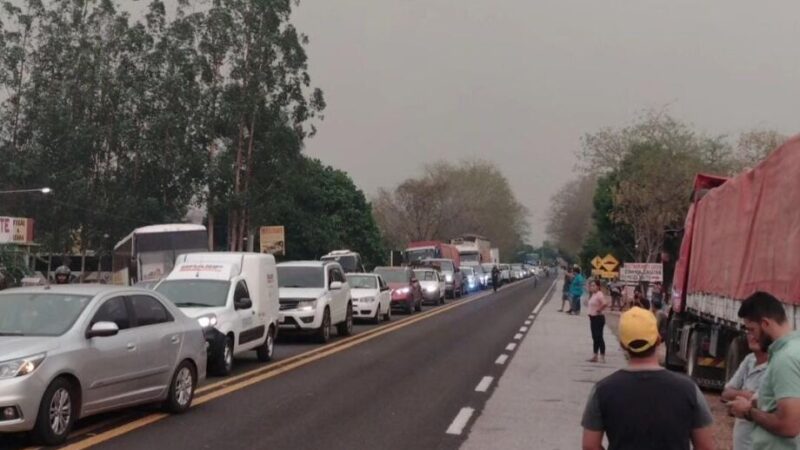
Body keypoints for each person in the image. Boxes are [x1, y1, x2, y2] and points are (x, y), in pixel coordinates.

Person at [582, 307, 715, 450]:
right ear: (658, 340)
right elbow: (705, 447)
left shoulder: (602, 390)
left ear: (622, 344)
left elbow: (590, 446)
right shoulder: (689, 390)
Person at [728, 291, 800, 450]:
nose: (752, 337)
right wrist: (759, 402)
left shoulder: (785, 359)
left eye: (752, 329)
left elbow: (789, 425)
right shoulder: (795, 348)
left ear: (765, 324)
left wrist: (748, 412)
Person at [722, 332, 769, 450]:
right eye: (749, 331)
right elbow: (725, 394)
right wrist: (747, 394)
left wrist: (743, 399)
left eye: (755, 331)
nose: (752, 336)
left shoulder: (775, 367)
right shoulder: (749, 360)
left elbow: (764, 403)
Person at [587, 279, 609, 363]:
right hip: (592, 318)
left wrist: (599, 310)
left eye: (594, 285)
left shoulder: (599, 294)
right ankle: (595, 355)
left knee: (599, 337)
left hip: (598, 318)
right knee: (595, 337)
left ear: (598, 286)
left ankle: (602, 356)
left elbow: (605, 303)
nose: (592, 287)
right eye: (591, 286)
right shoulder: (593, 294)